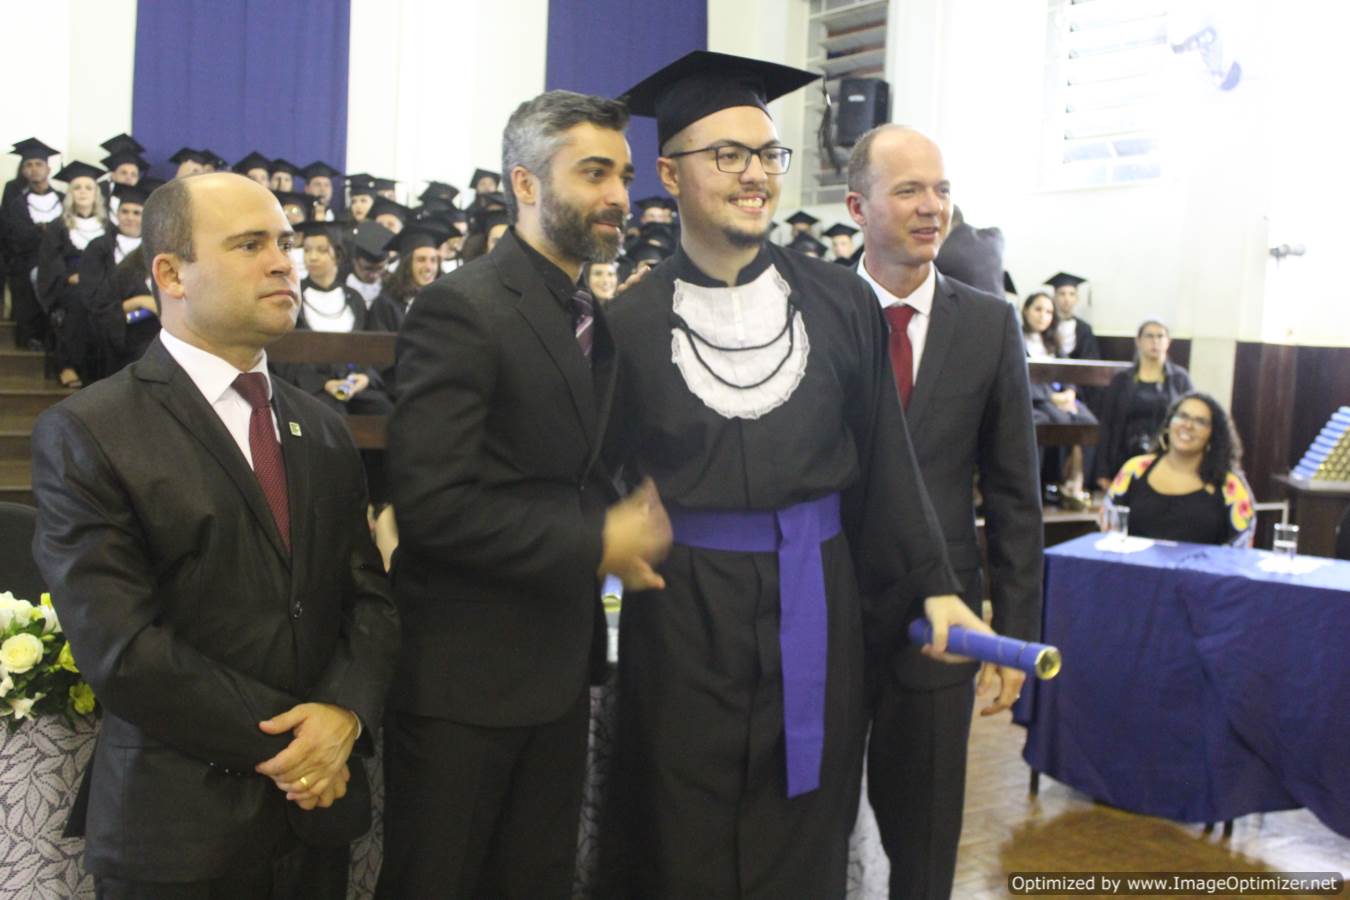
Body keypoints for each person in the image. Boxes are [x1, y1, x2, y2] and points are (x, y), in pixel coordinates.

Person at [602, 51, 983, 898]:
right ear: (669, 173)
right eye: (727, 154)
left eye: (767, 154)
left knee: (804, 835)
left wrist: (933, 584)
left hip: (818, 603)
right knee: (681, 837)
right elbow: (594, 478)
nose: (755, 175)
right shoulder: (628, 324)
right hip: (685, 618)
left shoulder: (843, 305)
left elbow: (887, 469)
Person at [30, 171, 400, 898]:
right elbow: (123, 649)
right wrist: (303, 745)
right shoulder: (90, 430)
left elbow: (368, 598)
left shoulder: (322, 428)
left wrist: (347, 712)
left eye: (285, 243)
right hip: (179, 831)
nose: (283, 262)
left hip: (313, 827)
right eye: (250, 244)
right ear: (171, 273)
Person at [378, 89, 670, 900]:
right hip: (463, 681)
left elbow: (571, 471)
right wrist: (596, 541)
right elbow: (433, 507)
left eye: (625, 176)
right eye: (594, 172)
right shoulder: (461, 307)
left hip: (556, 667)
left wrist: (619, 532)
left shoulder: (592, 317)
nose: (619, 195)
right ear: (527, 183)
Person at [845, 124, 1042, 900]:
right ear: (857, 207)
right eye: (909, 191)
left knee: (924, 835)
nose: (933, 207)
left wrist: (1011, 634)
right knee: (810, 821)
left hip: (946, 620)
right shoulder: (815, 309)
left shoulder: (989, 324)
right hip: (825, 605)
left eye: (943, 190)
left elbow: (1015, 493)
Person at [1102, 392, 1255, 547]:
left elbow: (1241, 546)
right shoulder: (1135, 470)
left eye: (1200, 421)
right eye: (1182, 416)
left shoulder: (1229, 485)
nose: (1188, 425)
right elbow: (1108, 528)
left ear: (1213, 434)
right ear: (1169, 423)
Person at [1091, 318, 1194, 490]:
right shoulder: (1121, 379)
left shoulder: (1180, 379)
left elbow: (1190, 419)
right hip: (1125, 458)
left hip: (1167, 459)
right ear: (1138, 341)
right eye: (1149, 336)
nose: (1155, 341)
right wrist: (1102, 471)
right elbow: (1107, 425)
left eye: (1160, 336)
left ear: (1168, 342)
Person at [37, 161, 109, 387]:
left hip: (103, 283)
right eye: (77, 187)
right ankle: (67, 365)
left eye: (88, 187)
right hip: (70, 283)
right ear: (70, 193)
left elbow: (113, 259)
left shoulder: (108, 226)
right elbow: (51, 261)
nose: (83, 192)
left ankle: (103, 369)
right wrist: (70, 277)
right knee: (79, 301)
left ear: (96, 193)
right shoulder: (58, 226)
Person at [1022, 291, 1097, 505]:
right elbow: (1019, 378)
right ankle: (1047, 483)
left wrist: (1070, 393)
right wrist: (1051, 398)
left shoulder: (1053, 343)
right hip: (1034, 400)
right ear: (1026, 310)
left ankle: (1075, 481)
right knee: (1056, 421)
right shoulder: (1016, 339)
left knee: (1087, 421)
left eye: (1048, 312)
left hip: (1060, 398)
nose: (1043, 316)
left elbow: (1068, 372)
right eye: (1038, 309)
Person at [1, 138, 64, 350]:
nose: (34, 169)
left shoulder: (63, 199)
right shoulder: (17, 202)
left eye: (39, 164)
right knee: (25, 274)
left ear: (49, 169)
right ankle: (32, 336)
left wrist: (44, 232)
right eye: (29, 165)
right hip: (27, 259)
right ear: (23, 170)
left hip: (58, 260)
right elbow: (16, 236)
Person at [367, 224, 445, 333]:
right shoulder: (385, 305)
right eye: (421, 260)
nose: (428, 267)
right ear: (407, 265)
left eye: (433, 260)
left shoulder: (445, 301)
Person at [1045, 271, 1100, 360]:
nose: (1067, 299)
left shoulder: (1084, 328)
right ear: (1054, 297)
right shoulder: (1045, 325)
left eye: (1072, 294)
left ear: (1077, 298)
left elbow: (1091, 359)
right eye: (1062, 294)